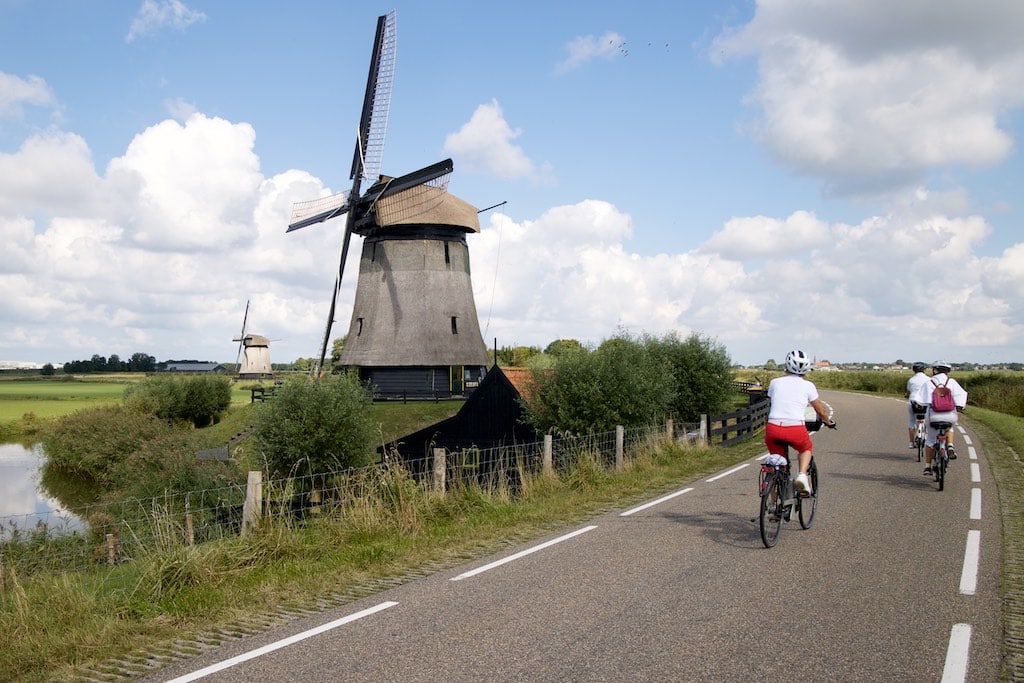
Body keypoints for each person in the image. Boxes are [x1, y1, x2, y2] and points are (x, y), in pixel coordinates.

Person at [765, 349, 836, 496]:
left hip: (773, 428)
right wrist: (828, 422)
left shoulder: (774, 382)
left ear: (786, 365)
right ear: (806, 369)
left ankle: (772, 507)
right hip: (795, 428)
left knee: (777, 465)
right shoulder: (808, 386)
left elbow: (774, 401)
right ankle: (802, 476)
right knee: (806, 448)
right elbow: (821, 411)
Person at [912, 360, 968, 476]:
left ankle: (928, 466)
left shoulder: (929, 382)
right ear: (947, 371)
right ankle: (950, 445)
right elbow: (961, 397)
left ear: (935, 370)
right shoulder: (952, 382)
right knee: (950, 428)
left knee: (931, 440)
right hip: (950, 415)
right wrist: (960, 407)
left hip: (933, 416)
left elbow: (920, 400)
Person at [905, 361, 931, 449]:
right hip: (925, 403)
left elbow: (908, 391)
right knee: (928, 420)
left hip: (913, 402)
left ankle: (911, 443)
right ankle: (928, 439)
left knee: (912, 421)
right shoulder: (928, 379)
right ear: (924, 369)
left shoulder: (911, 380)